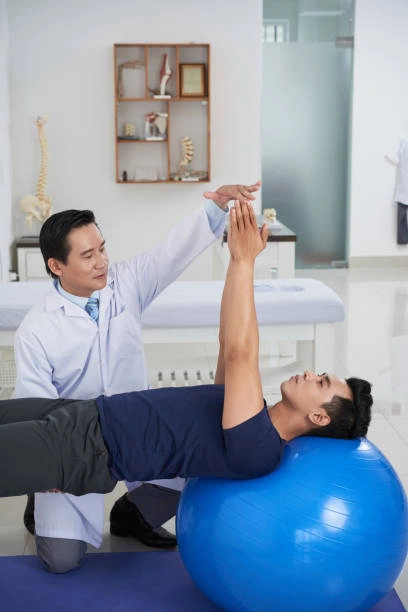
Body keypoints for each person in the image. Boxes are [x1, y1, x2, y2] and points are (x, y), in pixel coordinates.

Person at [2, 202, 372, 504]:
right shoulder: (252, 410)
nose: (311, 373)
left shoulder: (259, 448)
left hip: (85, 448)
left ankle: (123, 514)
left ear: (319, 417)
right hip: (85, 411)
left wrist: (245, 261)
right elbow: (228, 341)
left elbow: (242, 353)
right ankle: (131, 515)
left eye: (321, 382)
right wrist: (235, 262)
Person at [12, 181, 261, 574]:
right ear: (56, 266)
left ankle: (131, 514)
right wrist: (45, 468)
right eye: (88, 256)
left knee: (193, 470)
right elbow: (35, 404)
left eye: (103, 249)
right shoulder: (36, 328)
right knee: (61, 562)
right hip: (75, 445)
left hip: (140, 429)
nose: (102, 262)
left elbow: (170, 254)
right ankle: (38, 498)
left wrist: (216, 207)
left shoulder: (124, 284)